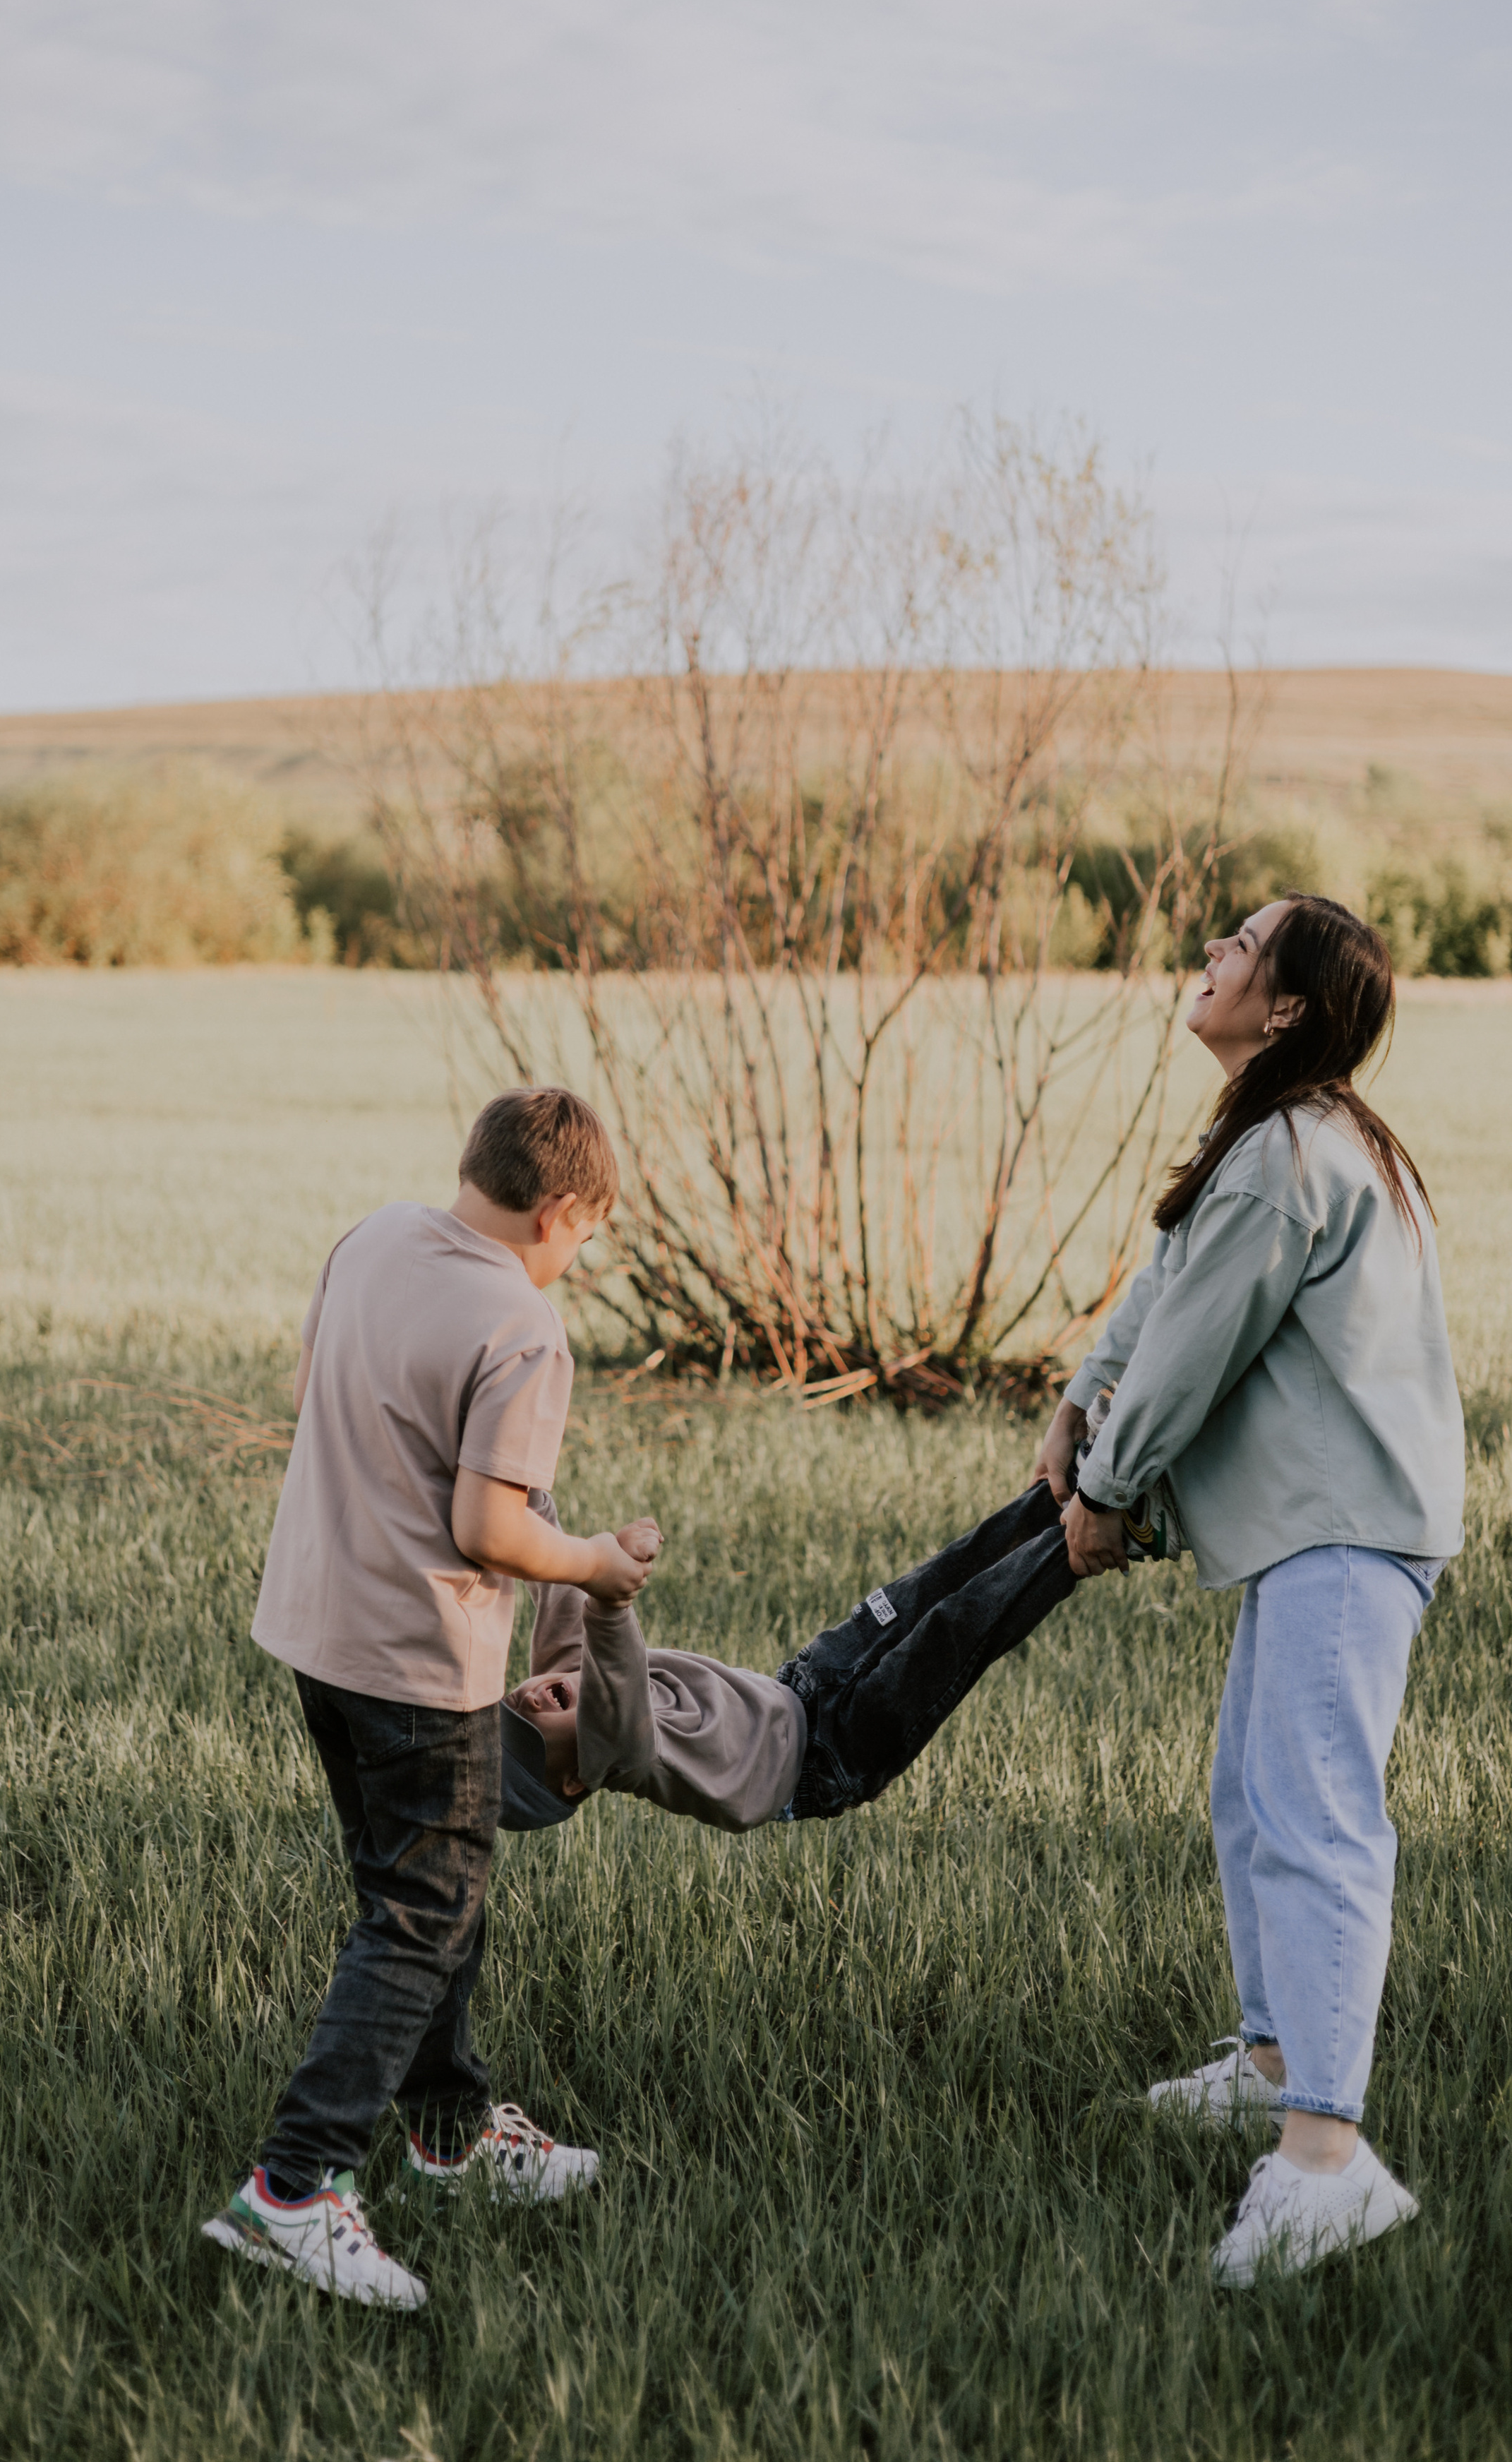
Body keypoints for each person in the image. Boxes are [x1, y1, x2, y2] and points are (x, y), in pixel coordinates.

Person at [1032, 895, 1463, 2288]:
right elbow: (1169, 1287)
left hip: (1348, 1532)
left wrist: (1106, 1493)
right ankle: (1272, 2057)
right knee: (1249, 1792)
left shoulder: (1292, 1153)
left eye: (1238, 946)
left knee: (1313, 1816)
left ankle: (1325, 2160)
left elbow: (1201, 1340)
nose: (1209, 955)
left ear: (1281, 1008)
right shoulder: (1268, 1140)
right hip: (1318, 1532)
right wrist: (1083, 1395)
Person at [201, 1089, 661, 2310]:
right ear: (558, 1210)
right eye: (587, 1236)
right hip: (418, 1665)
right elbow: (489, 1525)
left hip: (315, 1633)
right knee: (421, 1915)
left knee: (416, 1894)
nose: (579, 1259)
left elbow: (317, 1402)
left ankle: (450, 2139)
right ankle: (292, 2192)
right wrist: (599, 1565)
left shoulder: (372, 1241)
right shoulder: (521, 1327)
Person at [501, 1478, 1091, 1835]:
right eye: (530, 1729)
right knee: (958, 1628)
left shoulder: (559, 1670)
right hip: (833, 1755)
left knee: (940, 1578)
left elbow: (553, 1574)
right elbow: (615, 1670)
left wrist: (514, 1485)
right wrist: (613, 1593)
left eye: (509, 1704)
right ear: (577, 1779)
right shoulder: (616, 1756)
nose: (528, 1700)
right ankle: (1092, 1531)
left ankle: (1068, 1486)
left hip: (807, 1683)